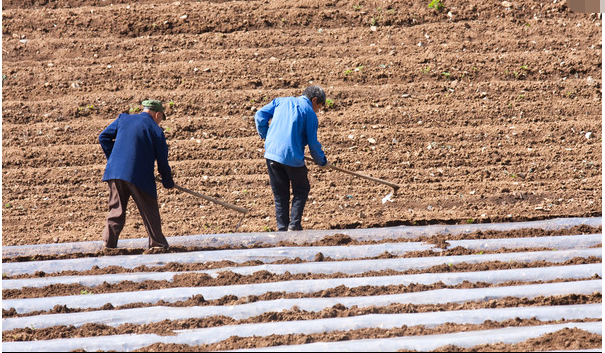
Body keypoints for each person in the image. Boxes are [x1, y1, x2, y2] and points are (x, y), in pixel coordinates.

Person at [98, 99, 174, 249]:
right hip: (139, 175)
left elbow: (103, 137)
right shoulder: (155, 130)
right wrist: (168, 181)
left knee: (116, 210)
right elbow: (162, 161)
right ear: (157, 114)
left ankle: (109, 244)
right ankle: (158, 244)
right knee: (149, 210)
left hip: (114, 172)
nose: (160, 122)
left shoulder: (123, 118)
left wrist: (114, 159)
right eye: (161, 118)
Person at [254, 85, 330, 232]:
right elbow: (313, 144)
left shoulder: (280, 101)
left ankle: (282, 228)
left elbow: (259, 115)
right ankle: (294, 226)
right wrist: (322, 162)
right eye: (318, 107)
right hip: (292, 157)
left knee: (280, 194)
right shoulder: (310, 113)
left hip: (271, 154)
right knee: (301, 189)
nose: (317, 110)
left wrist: (266, 136)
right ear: (314, 100)